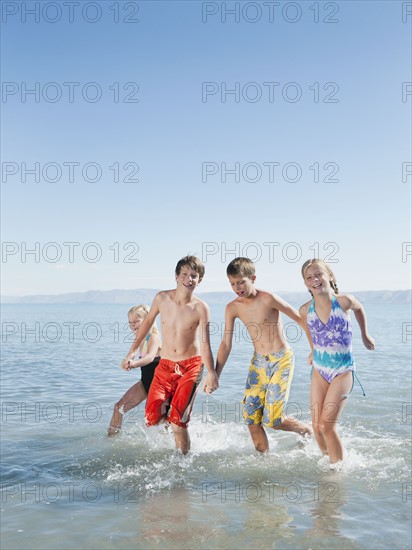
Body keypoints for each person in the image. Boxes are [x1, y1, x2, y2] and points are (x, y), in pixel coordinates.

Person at [121, 256, 219, 454]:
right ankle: (174, 435)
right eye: (184, 274)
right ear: (176, 276)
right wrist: (131, 352)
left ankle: (183, 462)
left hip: (191, 367)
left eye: (194, 276)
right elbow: (146, 325)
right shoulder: (161, 298)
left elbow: (205, 343)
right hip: (165, 366)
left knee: (178, 421)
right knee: (151, 417)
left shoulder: (201, 308)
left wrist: (211, 373)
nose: (189, 279)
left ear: (199, 280)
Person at [215, 257, 312, 453]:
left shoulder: (269, 298)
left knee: (273, 420)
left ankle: (306, 431)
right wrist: (216, 374)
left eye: (241, 282)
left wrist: (314, 349)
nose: (237, 287)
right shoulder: (232, 307)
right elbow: (226, 343)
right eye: (232, 284)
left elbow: (301, 320)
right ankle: (264, 461)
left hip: (281, 359)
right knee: (251, 418)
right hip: (258, 362)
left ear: (253, 278)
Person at [299, 259, 375, 468]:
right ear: (305, 284)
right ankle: (328, 459)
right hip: (319, 370)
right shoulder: (305, 310)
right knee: (316, 426)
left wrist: (365, 335)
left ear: (329, 276)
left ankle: (338, 471)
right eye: (309, 277)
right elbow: (310, 331)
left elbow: (359, 309)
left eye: (319, 274)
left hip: (342, 371)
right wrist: (313, 351)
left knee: (327, 426)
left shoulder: (343, 302)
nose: (315, 279)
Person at [108, 305, 161, 436]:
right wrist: (125, 361)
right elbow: (131, 353)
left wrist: (134, 364)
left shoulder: (153, 336)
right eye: (130, 322)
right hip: (145, 383)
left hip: (160, 385)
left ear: (148, 320)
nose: (132, 325)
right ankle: (111, 440)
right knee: (119, 408)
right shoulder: (139, 337)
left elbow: (149, 357)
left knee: (158, 423)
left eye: (136, 321)